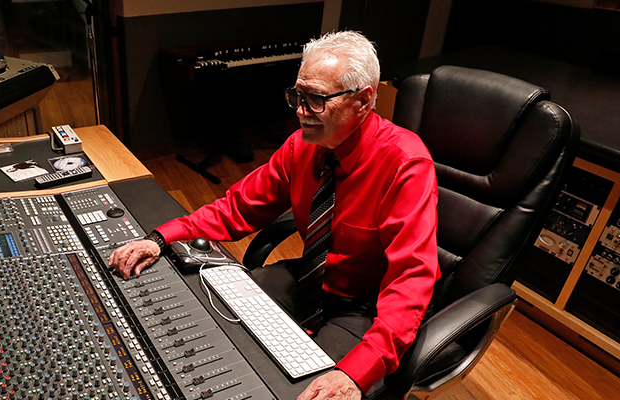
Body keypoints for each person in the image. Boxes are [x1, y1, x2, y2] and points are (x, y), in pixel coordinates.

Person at [108, 31, 439, 400]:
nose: (300, 111)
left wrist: (355, 373)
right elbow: (238, 207)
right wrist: (160, 238)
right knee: (211, 320)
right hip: (310, 281)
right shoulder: (301, 146)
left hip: (365, 306)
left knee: (304, 392)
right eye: (298, 96)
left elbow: (411, 279)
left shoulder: (405, 164)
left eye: (315, 100)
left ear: (363, 100)